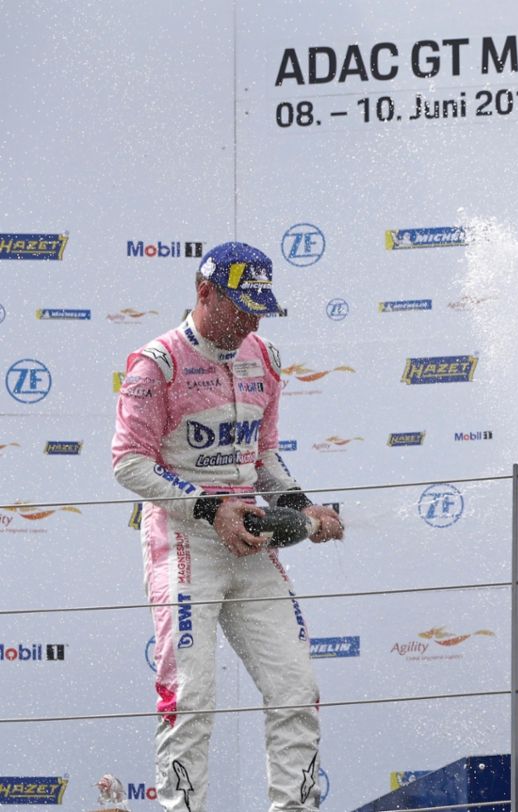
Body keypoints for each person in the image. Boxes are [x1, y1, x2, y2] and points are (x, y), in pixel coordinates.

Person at [112, 242, 344, 811]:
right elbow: (129, 460)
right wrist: (210, 508)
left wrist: (304, 505)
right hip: (185, 542)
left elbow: (262, 453)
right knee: (192, 697)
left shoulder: (262, 355)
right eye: (240, 306)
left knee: (296, 690)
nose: (250, 320)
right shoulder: (158, 362)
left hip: (253, 537)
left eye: (259, 309)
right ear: (204, 292)